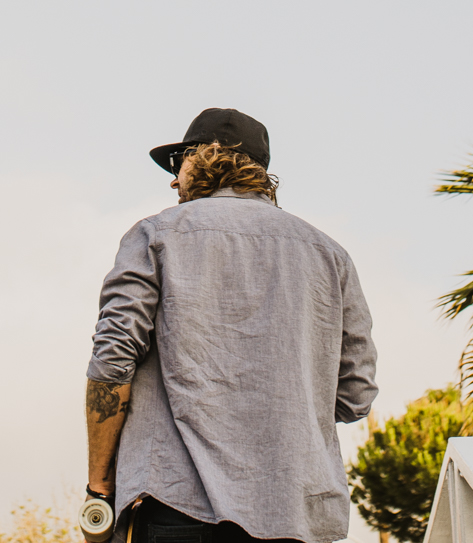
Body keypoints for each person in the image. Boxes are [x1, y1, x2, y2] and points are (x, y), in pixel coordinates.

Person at [83, 108, 377, 543]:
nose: (172, 179)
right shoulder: (330, 256)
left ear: (206, 156)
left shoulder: (155, 236)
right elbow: (355, 395)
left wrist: (99, 486)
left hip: (177, 507)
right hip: (294, 514)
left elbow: (112, 363)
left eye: (176, 162)